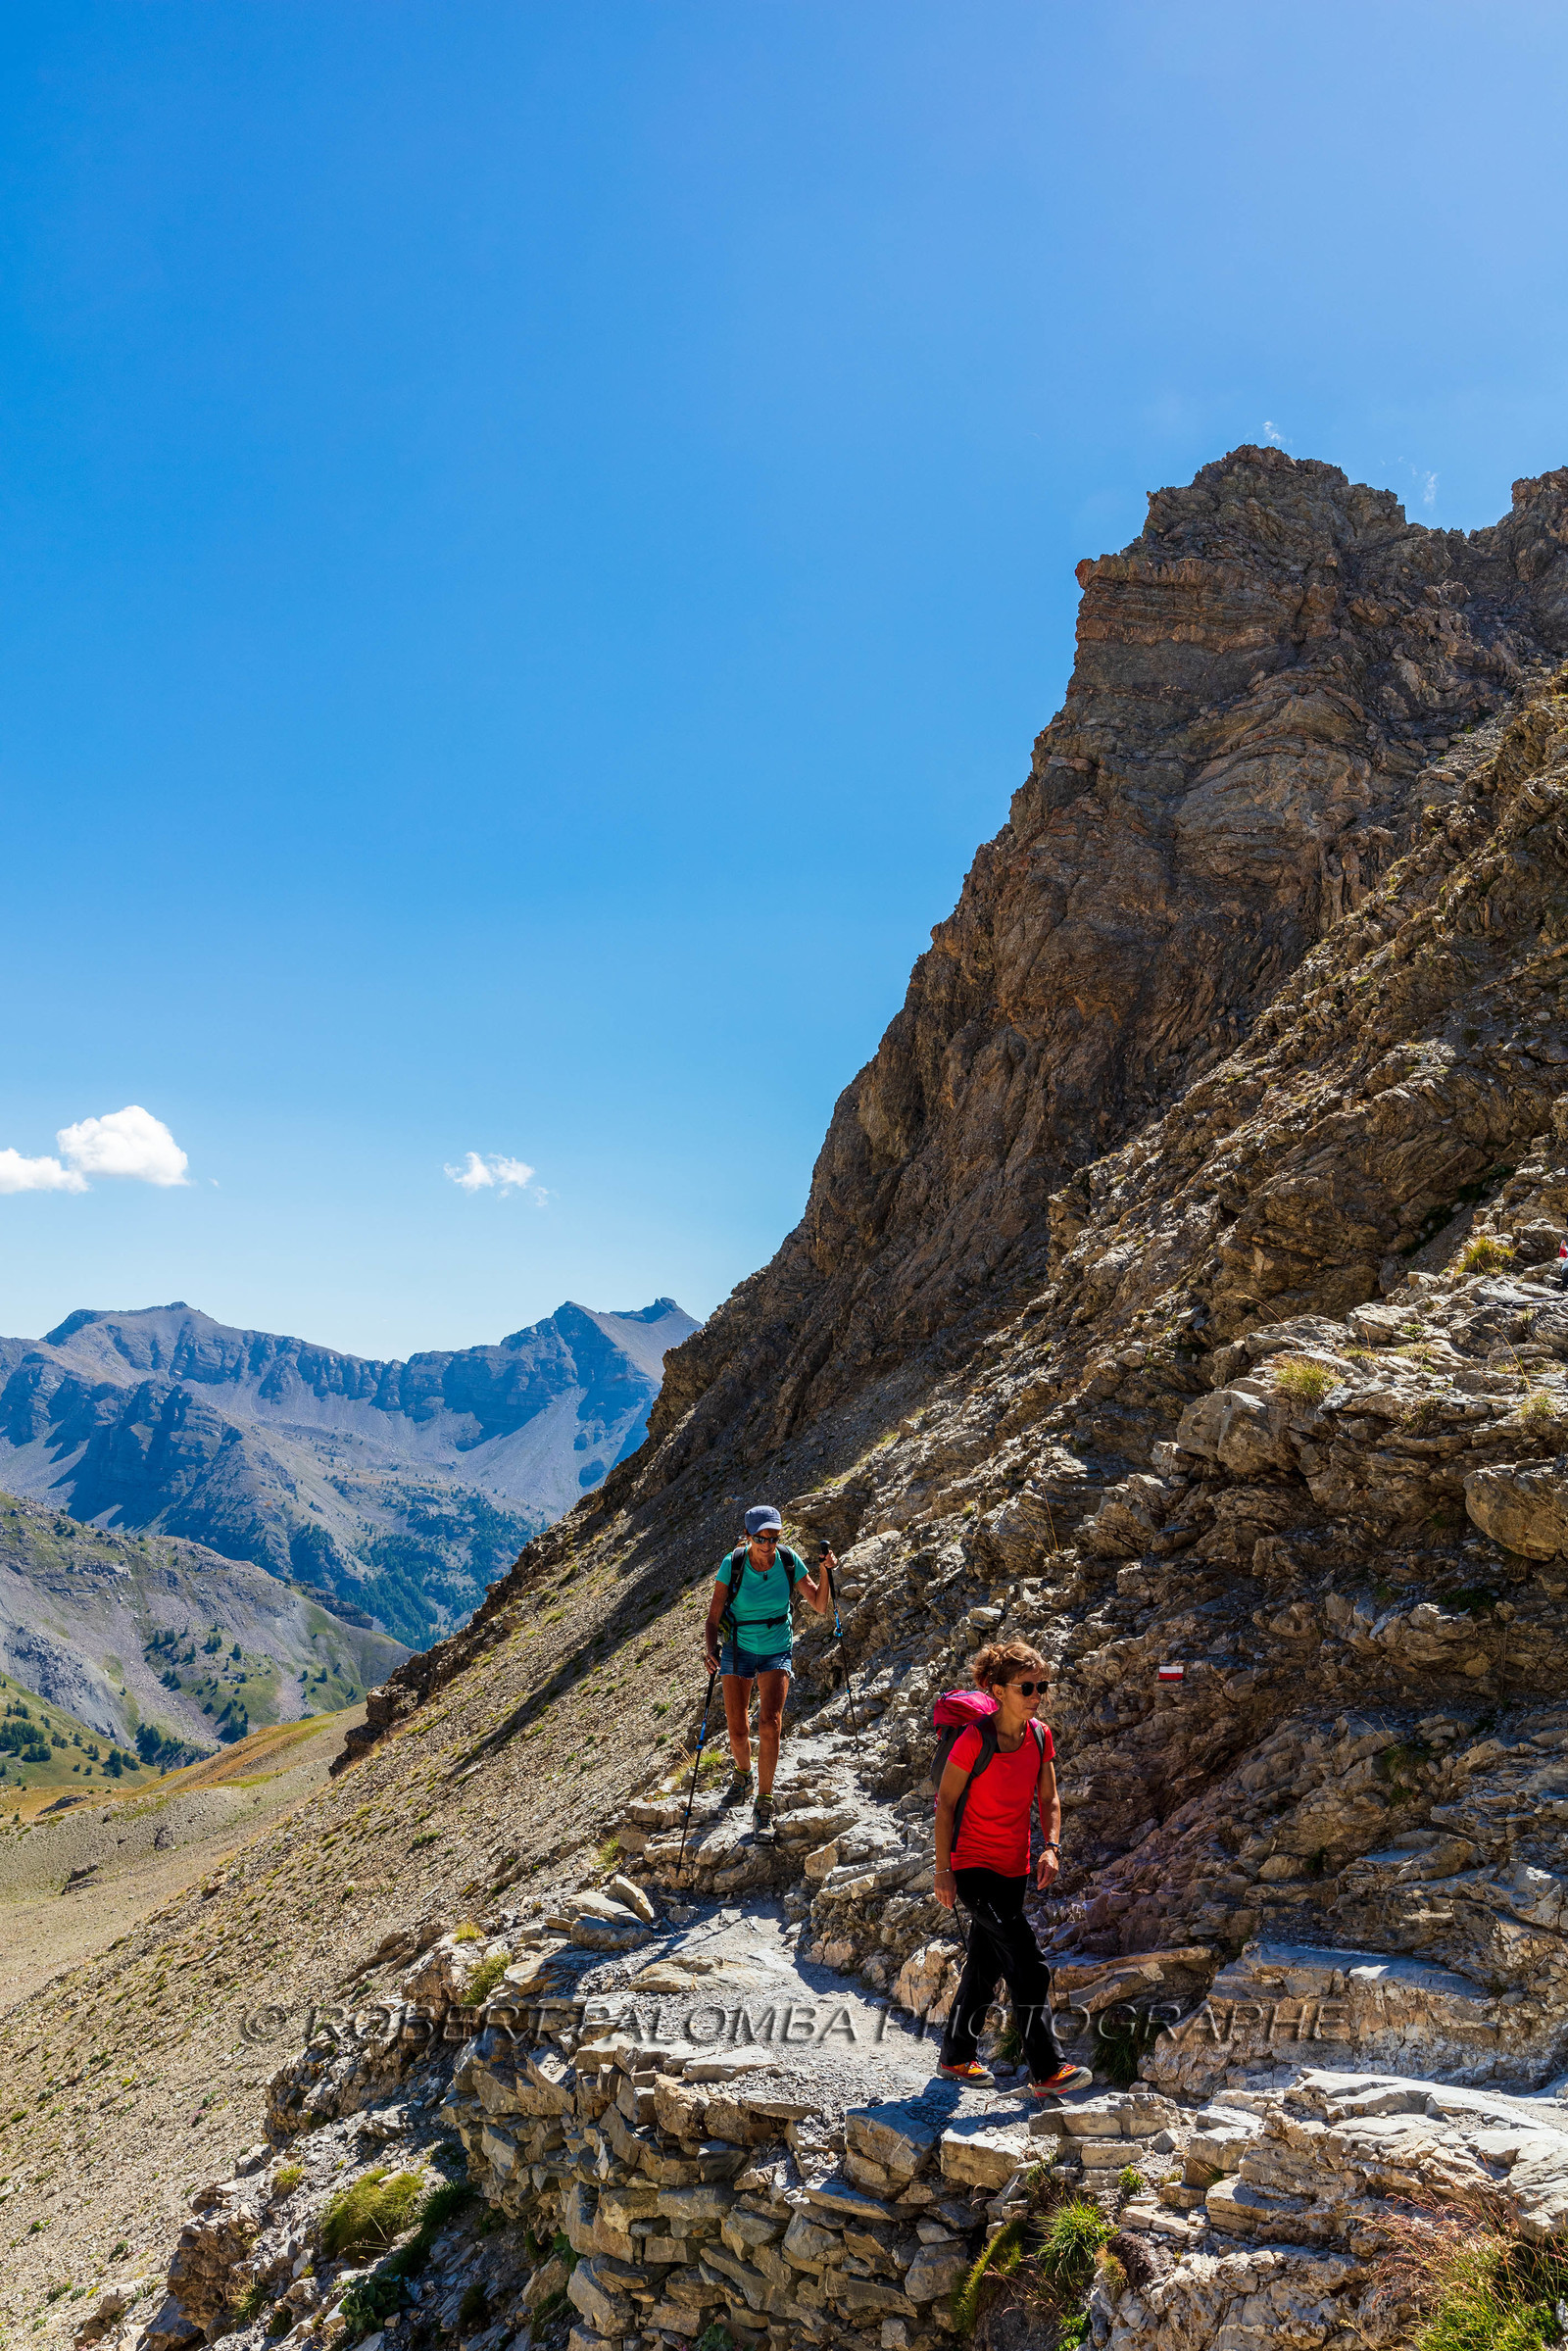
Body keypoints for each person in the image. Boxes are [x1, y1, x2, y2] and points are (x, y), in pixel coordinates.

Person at [933, 1639, 1093, 2098]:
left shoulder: (1040, 1735)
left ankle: (956, 2056)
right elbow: (944, 1805)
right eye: (1027, 1686)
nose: (1037, 1693)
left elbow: (1049, 1798)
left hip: (1013, 1869)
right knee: (1028, 1962)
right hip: (972, 1868)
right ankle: (1046, 2069)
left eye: (1042, 1685)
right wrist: (943, 1871)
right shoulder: (974, 1739)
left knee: (985, 1965)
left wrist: (1052, 1846)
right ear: (999, 1690)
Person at [703, 1504, 833, 1836]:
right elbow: (713, 1617)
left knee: (770, 1723)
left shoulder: (788, 1560)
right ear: (748, 1537)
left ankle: (764, 1801)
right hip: (738, 1647)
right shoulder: (732, 1564)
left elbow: (818, 1604)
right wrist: (710, 1650)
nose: (769, 1544)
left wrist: (826, 1571)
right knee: (737, 1730)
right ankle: (744, 1775)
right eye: (761, 1538)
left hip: (776, 1648)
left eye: (774, 1537)